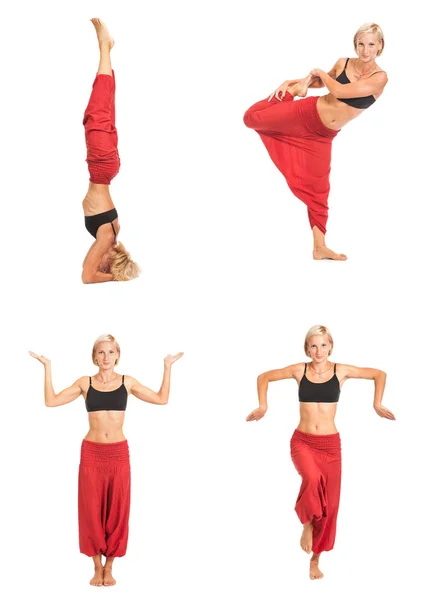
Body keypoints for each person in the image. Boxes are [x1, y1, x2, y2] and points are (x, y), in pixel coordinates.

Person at [30, 335, 183, 586]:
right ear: (94, 356)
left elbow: (161, 398)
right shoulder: (85, 382)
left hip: (118, 453)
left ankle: (109, 567)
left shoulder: (127, 382)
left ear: (117, 355)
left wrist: (167, 367)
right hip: (91, 452)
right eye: (101, 352)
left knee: (117, 511)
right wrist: (47, 368)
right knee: (90, 510)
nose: (106, 357)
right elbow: (51, 401)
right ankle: (96, 567)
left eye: (110, 352)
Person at [246, 324, 395, 579]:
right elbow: (264, 377)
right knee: (312, 479)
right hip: (302, 441)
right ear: (307, 348)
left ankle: (315, 559)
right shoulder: (299, 370)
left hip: (330, 445)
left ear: (330, 346)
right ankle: (306, 524)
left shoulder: (341, 371)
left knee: (332, 506)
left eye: (323, 345)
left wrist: (377, 403)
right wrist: (263, 406)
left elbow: (379, 374)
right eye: (313, 345)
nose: (318, 350)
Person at [243, 23, 387, 260]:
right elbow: (322, 83)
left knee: (319, 191)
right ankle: (288, 95)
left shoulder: (379, 78)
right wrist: (294, 83)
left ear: (380, 45)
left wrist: (319, 74)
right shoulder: (344, 62)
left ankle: (319, 247)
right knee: (251, 118)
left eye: (371, 44)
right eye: (361, 44)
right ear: (356, 44)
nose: (365, 50)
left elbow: (340, 91)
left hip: (323, 136)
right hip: (305, 114)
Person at [82, 18, 140, 283]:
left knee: (101, 110)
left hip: (105, 166)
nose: (99, 264)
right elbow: (87, 276)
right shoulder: (107, 237)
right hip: (101, 165)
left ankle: (105, 50)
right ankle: (105, 47)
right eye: (106, 266)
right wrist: (115, 278)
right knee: (99, 109)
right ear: (110, 263)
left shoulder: (113, 233)